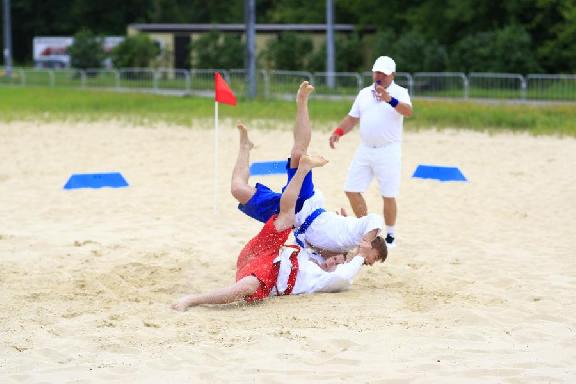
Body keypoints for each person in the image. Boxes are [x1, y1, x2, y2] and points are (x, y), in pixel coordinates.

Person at [171, 154, 385, 310]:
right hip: (277, 245)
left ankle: (193, 299)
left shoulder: (330, 263)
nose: (368, 262)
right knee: (274, 206)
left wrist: (349, 255)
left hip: (272, 263)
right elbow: (345, 265)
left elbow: (334, 267)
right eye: (372, 258)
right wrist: (359, 253)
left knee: (249, 194)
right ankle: (294, 162)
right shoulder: (340, 254)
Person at [230, 81, 386, 258]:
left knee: (237, 189)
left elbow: (322, 256)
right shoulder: (364, 230)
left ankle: (245, 147)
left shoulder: (346, 251)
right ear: (374, 246)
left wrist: (342, 255)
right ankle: (302, 101)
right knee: (298, 153)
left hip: (289, 218)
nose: (367, 262)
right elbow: (375, 219)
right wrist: (366, 242)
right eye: (371, 259)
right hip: (306, 206)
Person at [329, 56, 413, 248]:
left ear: (392, 75)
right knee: (351, 189)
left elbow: (408, 111)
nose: (379, 76)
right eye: (377, 72)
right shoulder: (364, 93)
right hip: (365, 149)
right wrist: (338, 132)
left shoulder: (400, 92)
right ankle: (368, 228)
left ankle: (390, 234)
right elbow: (352, 118)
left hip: (389, 150)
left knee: (388, 194)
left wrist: (389, 99)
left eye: (383, 73)